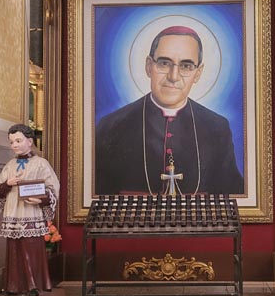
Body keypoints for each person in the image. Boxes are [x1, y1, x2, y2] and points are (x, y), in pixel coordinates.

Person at [95, 25, 244, 195]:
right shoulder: (111, 126)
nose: (173, 77)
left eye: (186, 66)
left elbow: (234, 197)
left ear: (198, 73)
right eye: (164, 63)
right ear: (149, 66)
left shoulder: (217, 128)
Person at [0, 124, 60, 296]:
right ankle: (14, 285)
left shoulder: (41, 164)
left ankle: (34, 285)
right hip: (13, 214)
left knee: (32, 248)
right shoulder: (10, 165)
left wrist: (41, 198)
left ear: (30, 141)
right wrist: (8, 184)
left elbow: (53, 187)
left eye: (18, 140)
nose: (14, 145)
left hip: (31, 213)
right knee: (14, 250)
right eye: (12, 142)